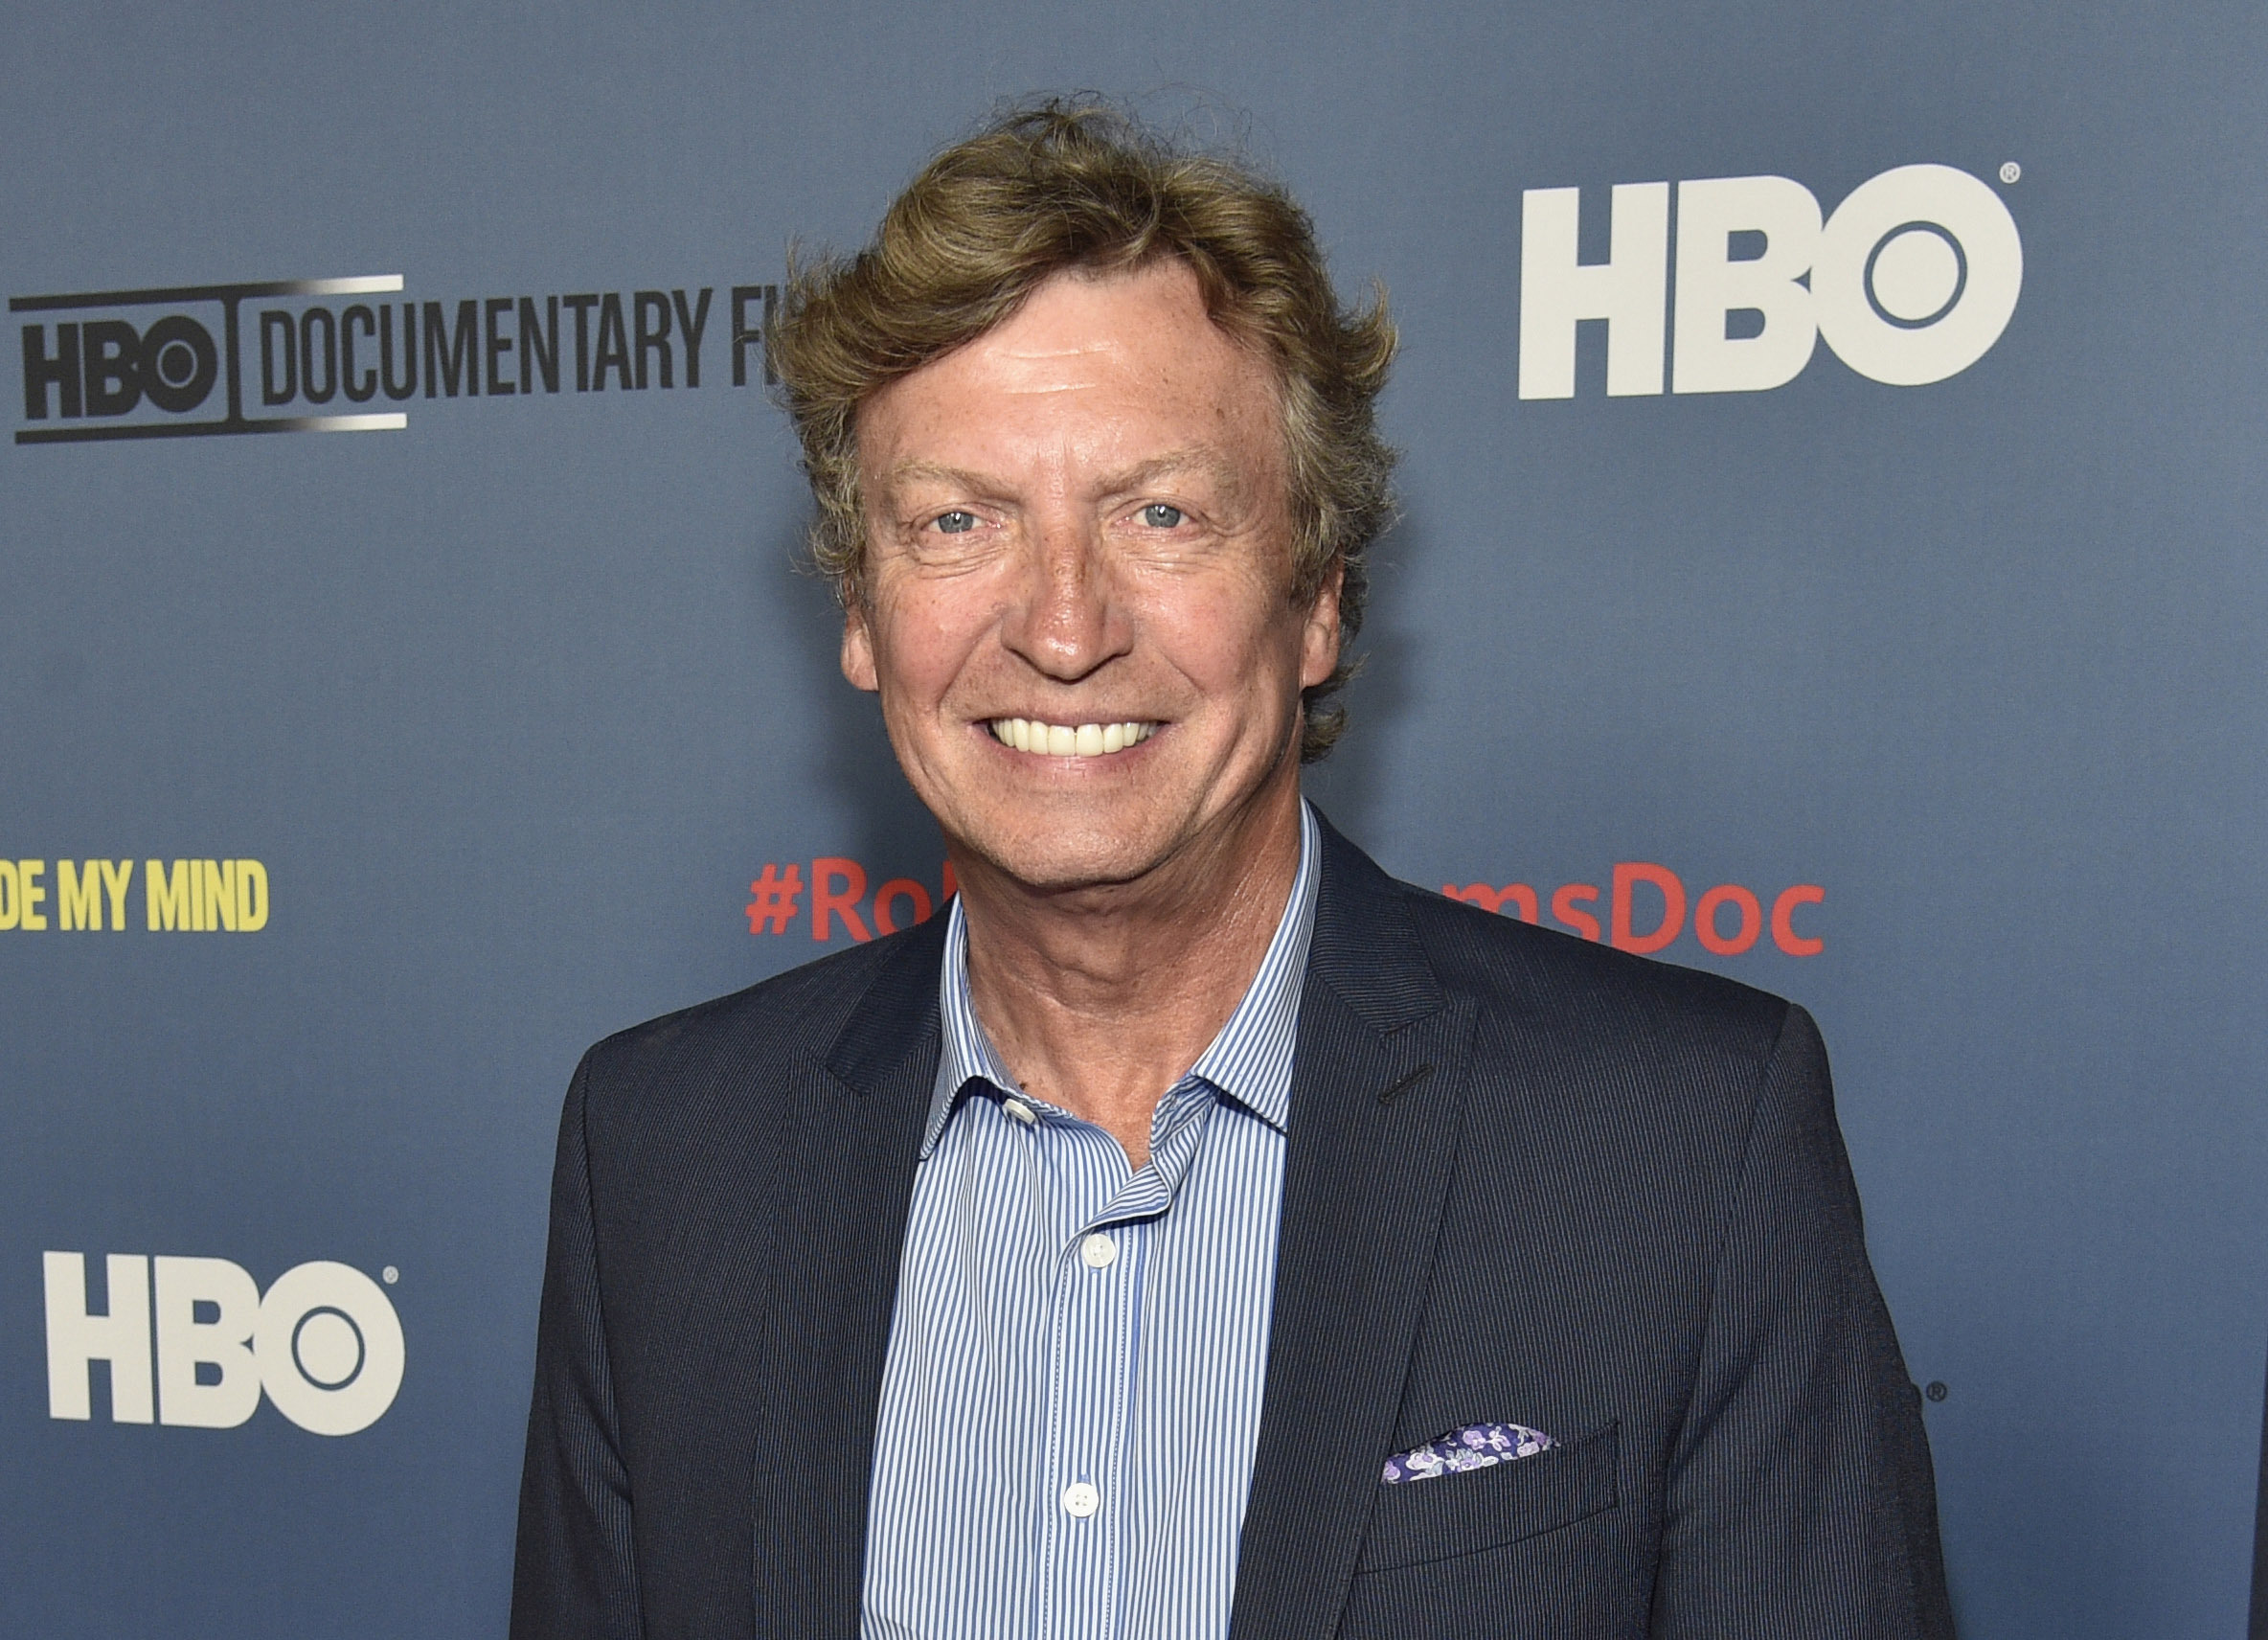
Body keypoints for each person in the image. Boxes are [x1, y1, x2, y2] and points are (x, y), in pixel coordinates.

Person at [510, 102, 1954, 1640]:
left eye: (1162, 514)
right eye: (957, 521)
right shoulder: (663, 1154)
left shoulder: (1681, 1141)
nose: (1063, 629)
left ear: (1318, 596)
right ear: (864, 614)